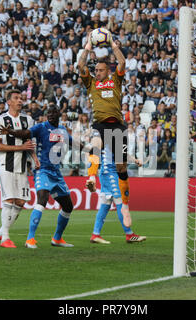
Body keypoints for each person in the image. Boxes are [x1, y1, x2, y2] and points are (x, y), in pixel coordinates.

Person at [78, 31, 140, 228]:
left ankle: (125, 204)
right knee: (95, 144)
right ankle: (90, 178)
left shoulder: (116, 81)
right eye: (95, 70)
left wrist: (113, 44)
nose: (97, 72)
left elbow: (122, 63)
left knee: (121, 168)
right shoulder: (91, 83)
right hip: (100, 123)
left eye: (100, 70)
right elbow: (80, 65)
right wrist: (88, 46)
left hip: (118, 126)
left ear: (107, 71)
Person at [0, 105, 75, 249]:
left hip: (56, 174)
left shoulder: (62, 130)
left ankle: (57, 238)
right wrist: (12, 132)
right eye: (48, 113)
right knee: (42, 199)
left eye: (53, 113)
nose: (50, 115)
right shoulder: (40, 127)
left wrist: (92, 149)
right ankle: (30, 239)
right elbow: (26, 133)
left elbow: (73, 142)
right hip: (42, 170)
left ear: (59, 114)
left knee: (68, 206)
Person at [0, 89, 38, 248]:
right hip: (6, 164)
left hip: (22, 167)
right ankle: (5, 237)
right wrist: (20, 148)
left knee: (21, 201)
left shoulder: (28, 120)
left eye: (21, 98)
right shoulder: (1, 120)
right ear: (9, 102)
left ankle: (2, 230)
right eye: (16, 98)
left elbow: (30, 144)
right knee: (9, 199)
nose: (20, 101)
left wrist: (35, 160)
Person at [90, 145, 146, 244]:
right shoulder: (111, 137)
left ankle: (95, 234)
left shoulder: (113, 137)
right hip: (110, 174)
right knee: (120, 202)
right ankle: (129, 234)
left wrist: (134, 160)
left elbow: (122, 154)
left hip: (109, 173)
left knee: (105, 204)